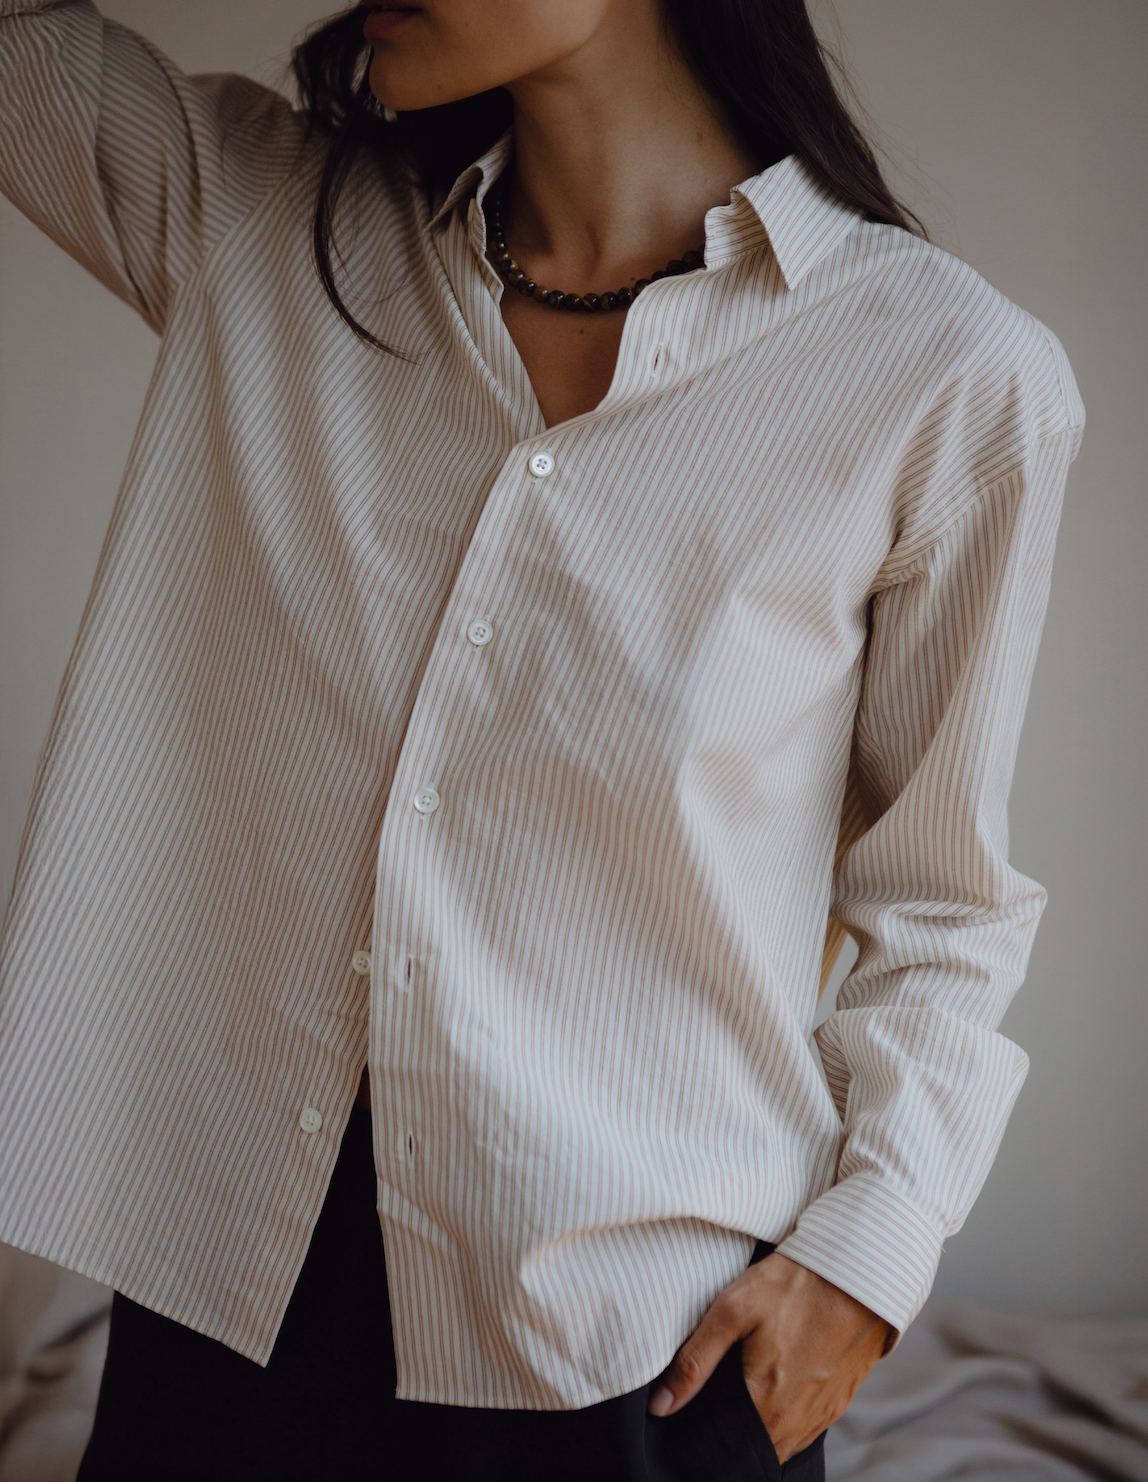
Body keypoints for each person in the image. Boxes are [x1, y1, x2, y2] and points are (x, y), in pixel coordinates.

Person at [0, 0, 1083, 1478]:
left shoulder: (949, 377)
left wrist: (863, 1258)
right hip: (219, 1286)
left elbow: (942, 899)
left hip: (633, 1345)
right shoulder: (245, 211)